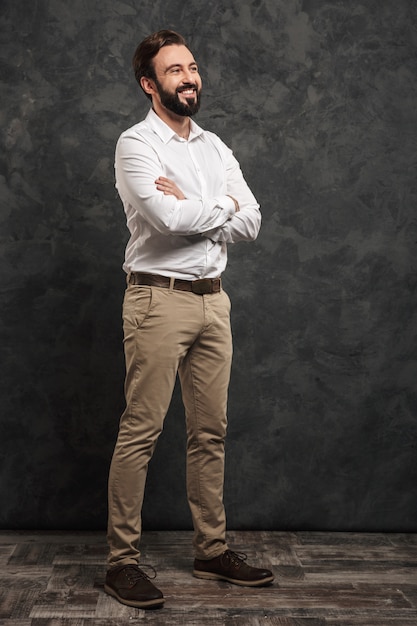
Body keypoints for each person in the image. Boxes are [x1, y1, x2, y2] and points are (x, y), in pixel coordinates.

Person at [104, 29, 274, 610]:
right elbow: (166, 218)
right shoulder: (136, 144)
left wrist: (207, 206)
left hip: (213, 300)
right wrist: (216, 208)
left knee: (211, 432)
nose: (189, 77)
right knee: (141, 433)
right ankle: (121, 562)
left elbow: (251, 219)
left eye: (192, 66)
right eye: (174, 70)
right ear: (150, 84)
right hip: (158, 300)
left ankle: (211, 549)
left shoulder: (213, 146)